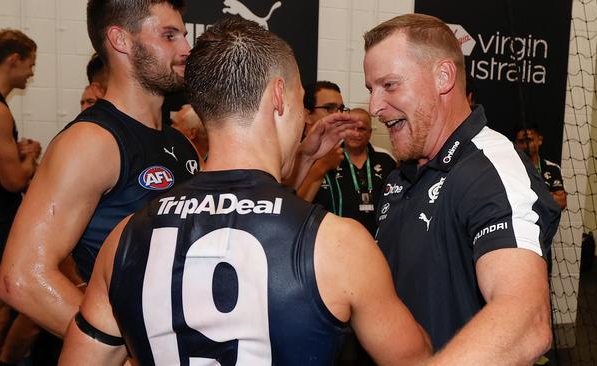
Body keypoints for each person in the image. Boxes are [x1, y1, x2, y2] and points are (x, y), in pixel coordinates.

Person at [59, 17, 432, 366]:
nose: (303, 118)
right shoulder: (338, 244)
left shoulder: (123, 239)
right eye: (302, 102)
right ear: (279, 97)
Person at [364, 13, 561, 365]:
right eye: (371, 90)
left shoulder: (492, 169)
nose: (374, 107)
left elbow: (527, 319)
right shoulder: (401, 175)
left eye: (389, 85)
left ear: (443, 77)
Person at [0, 0, 200, 338]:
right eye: (169, 36)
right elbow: (21, 278)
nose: (185, 48)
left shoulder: (180, 142)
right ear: (120, 40)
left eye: (182, 34)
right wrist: (118, 350)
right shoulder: (92, 141)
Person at [0, 28, 41, 366]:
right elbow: (12, 180)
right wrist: (31, 157)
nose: (33, 73)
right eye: (31, 65)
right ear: (14, 60)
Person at [311, 107, 395, 235]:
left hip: (378, 242)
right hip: (336, 240)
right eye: (350, 128)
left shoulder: (386, 160)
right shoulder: (327, 160)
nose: (356, 133)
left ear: (370, 133)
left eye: (361, 129)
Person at [296, 81, 347, 202]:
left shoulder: (347, 152)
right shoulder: (291, 155)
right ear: (307, 116)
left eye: (341, 109)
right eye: (329, 108)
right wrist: (322, 166)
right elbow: (288, 208)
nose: (339, 115)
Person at [515, 125, 567, 210]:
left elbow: (561, 202)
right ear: (516, 143)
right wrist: (547, 195)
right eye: (521, 141)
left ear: (539, 140)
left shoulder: (552, 168)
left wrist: (530, 193)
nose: (526, 145)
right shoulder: (512, 168)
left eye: (529, 140)